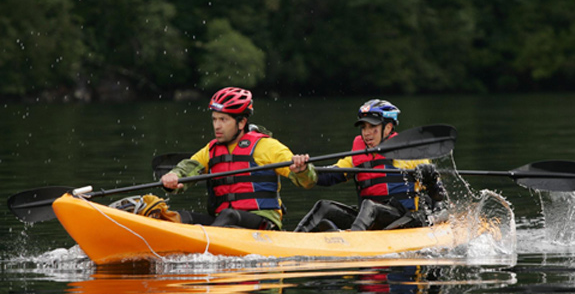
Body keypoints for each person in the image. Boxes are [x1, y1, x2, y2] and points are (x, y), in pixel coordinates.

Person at [161, 87, 316, 230]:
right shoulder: (211, 150)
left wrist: (302, 170)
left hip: (263, 225)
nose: (217, 126)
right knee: (181, 216)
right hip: (223, 223)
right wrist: (174, 177)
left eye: (223, 120)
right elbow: (188, 168)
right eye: (214, 119)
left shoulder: (267, 146)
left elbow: (308, 181)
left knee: (230, 215)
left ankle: (207, 246)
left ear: (241, 122)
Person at [294, 99, 447, 232]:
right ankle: (293, 240)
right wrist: (306, 170)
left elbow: (440, 196)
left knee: (370, 206)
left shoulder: (412, 153)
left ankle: (353, 242)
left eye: (372, 127)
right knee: (323, 207)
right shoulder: (356, 156)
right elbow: (329, 176)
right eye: (364, 127)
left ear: (387, 127)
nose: (367, 133)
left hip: (403, 219)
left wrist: (430, 180)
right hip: (369, 219)